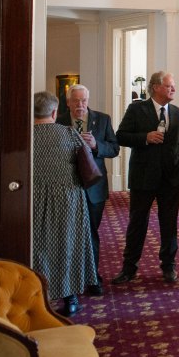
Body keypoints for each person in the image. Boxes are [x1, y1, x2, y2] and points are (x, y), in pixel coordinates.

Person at [112, 71, 179, 284]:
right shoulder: (137, 109)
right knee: (137, 223)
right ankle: (129, 268)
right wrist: (145, 138)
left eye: (173, 86)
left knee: (169, 224)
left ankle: (169, 266)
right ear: (155, 87)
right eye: (169, 86)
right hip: (143, 177)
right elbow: (121, 136)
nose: (173, 89)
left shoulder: (178, 113)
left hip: (170, 179)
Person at [32, 91, 98, 317]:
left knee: (38, 247)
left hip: (34, 198)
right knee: (68, 245)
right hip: (69, 198)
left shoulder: (24, 136)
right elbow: (86, 163)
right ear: (54, 112)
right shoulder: (69, 133)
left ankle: (38, 296)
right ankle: (70, 299)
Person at [57, 84, 120, 296]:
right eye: (76, 101)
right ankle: (69, 279)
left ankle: (92, 277)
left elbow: (114, 148)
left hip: (94, 187)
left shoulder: (102, 120)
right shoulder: (58, 122)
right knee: (69, 234)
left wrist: (96, 145)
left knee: (91, 232)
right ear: (68, 102)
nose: (80, 105)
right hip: (67, 186)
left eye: (83, 100)